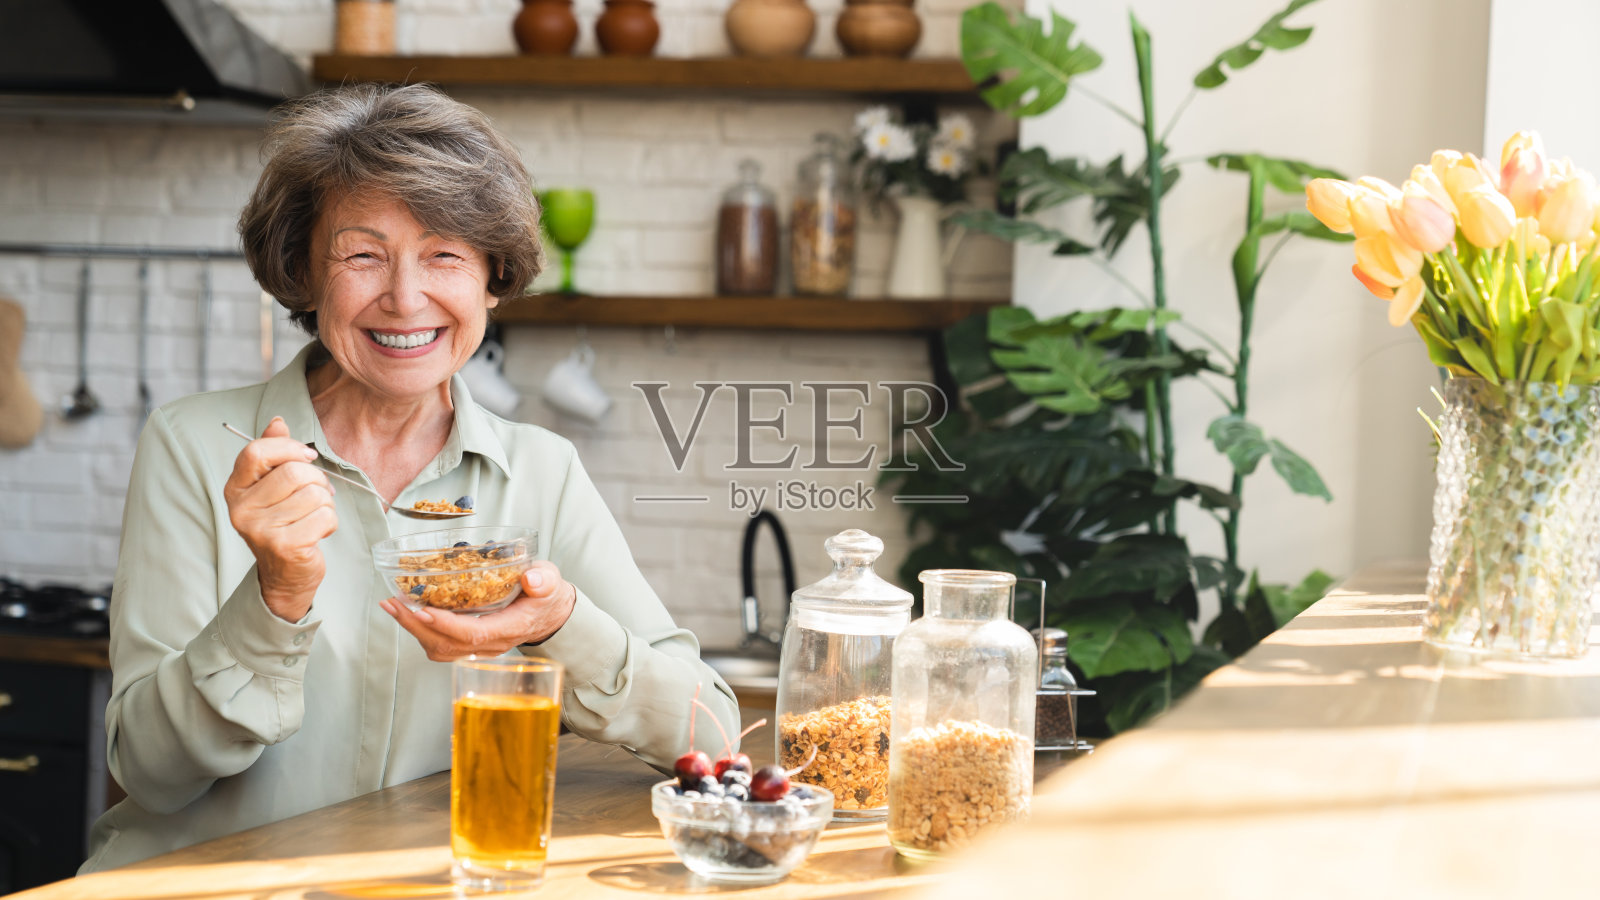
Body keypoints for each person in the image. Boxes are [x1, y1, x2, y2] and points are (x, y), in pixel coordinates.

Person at [81, 84, 739, 872]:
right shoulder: (194, 446)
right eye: (363, 255)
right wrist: (274, 599)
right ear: (302, 270)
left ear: (492, 278)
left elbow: (714, 738)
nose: (404, 298)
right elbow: (149, 775)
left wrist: (560, 620)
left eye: (445, 256)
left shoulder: (540, 471)